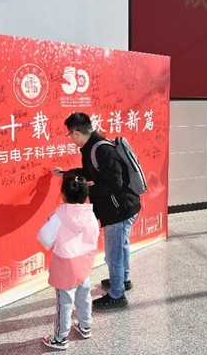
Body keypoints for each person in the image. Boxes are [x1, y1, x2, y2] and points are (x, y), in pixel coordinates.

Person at [52, 112, 141, 309]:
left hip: (119, 210)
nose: (70, 138)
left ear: (75, 133)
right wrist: (66, 174)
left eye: (69, 134)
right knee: (121, 247)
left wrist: (86, 190)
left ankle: (117, 295)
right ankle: (123, 280)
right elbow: (90, 172)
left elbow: (115, 184)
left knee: (114, 254)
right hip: (122, 207)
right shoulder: (92, 147)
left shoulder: (101, 149)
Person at [38, 174, 100, 350]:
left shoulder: (59, 216)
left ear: (63, 195)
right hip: (84, 263)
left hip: (65, 266)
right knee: (84, 296)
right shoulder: (90, 213)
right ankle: (85, 326)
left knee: (64, 303)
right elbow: (95, 235)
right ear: (85, 194)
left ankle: (60, 338)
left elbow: (44, 238)